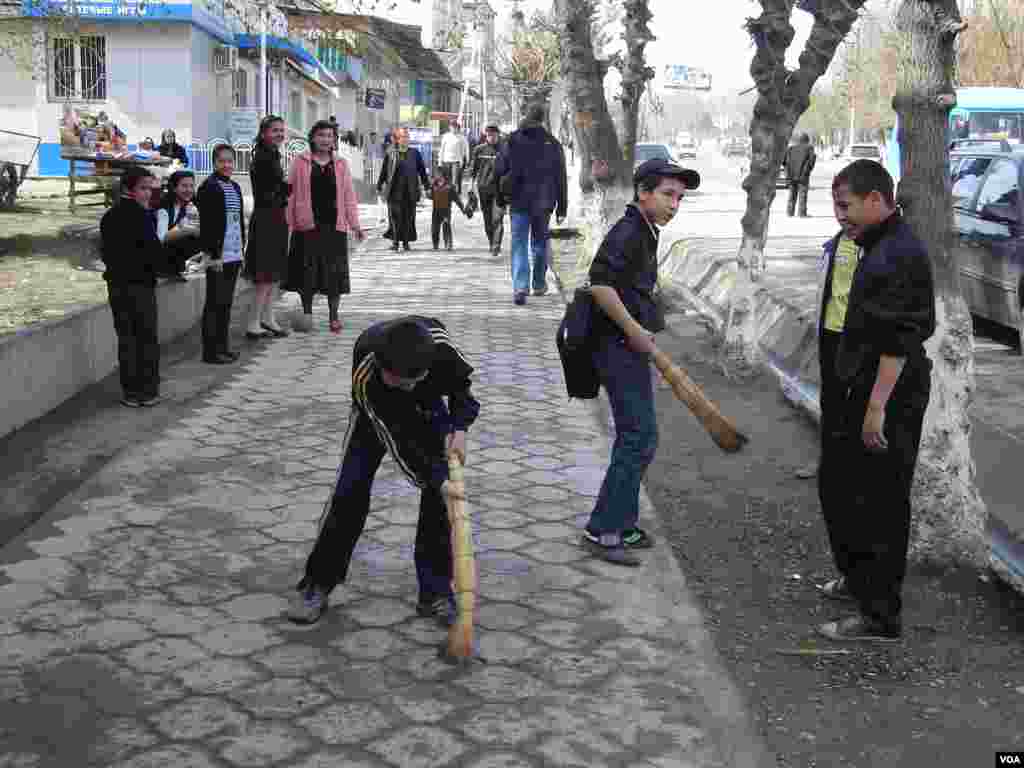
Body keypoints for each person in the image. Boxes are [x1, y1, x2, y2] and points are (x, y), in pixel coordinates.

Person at [287, 316, 480, 625]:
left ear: (426, 370)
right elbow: (400, 444)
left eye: (404, 381)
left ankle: (435, 592)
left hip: (429, 406)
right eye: (392, 377)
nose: (398, 384)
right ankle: (318, 583)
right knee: (349, 490)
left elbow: (462, 388)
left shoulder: (441, 350)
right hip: (374, 414)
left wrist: (460, 428)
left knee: (439, 498)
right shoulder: (369, 373)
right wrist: (435, 479)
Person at [815, 159, 935, 643]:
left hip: (889, 396)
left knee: (879, 503)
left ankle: (879, 616)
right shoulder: (873, 245)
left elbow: (898, 342)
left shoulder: (898, 254)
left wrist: (875, 407)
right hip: (857, 388)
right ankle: (857, 580)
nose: (840, 216)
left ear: (874, 199)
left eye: (846, 206)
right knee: (840, 487)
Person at [582, 158, 700, 566]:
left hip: (626, 344)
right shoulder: (630, 230)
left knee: (641, 436)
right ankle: (603, 530)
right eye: (668, 194)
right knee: (638, 437)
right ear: (643, 193)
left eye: (680, 197)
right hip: (615, 346)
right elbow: (599, 283)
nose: (675, 203)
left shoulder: (645, 229)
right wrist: (633, 329)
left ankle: (623, 523)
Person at [284, 120, 366, 334]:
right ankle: (307, 313)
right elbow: (289, 195)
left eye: (329, 136)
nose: (325, 140)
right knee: (306, 272)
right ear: (312, 138)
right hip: (307, 226)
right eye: (321, 135)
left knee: (334, 274)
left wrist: (355, 225)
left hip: (334, 226)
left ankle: (333, 317)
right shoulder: (300, 162)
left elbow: (349, 196)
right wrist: (289, 223)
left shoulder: (341, 164)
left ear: (334, 140)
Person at [100, 167, 165, 408]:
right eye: (143, 188)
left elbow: (105, 252)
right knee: (146, 338)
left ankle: (130, 392)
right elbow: (153, 253)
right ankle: (148, 391)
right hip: (140, 286)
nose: (148, 193)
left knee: (127, 339)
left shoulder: (109, 216)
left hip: (117, 286)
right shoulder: (141, 216)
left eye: (150, 188)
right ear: (129, 189)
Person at [494, 103, 568, 305]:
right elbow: (560, 177)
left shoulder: (512, 140)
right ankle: (538, 283)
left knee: (518, 243)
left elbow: (499, 170)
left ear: (527, 116)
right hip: (544, 203)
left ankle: (520, 286)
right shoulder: (552, 144)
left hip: (518, 201)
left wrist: (500, 199)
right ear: (543, 119)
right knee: (539, 242)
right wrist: (562, 206)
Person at [196, 144, 246, 365]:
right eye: (222, 161)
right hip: (218, 256)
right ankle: (211, 351)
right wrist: (213, 255)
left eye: (230, 161)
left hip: (234, 254)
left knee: (226, 303)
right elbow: (208, 225)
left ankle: (223, 347)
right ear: (214, 162)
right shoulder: (209, 187)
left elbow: (238, 222)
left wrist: (241, 251)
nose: (227, 165)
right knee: (214, 303)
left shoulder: (234, 186)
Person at [245, 115, 291, 340]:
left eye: (282, 130)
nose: (279, 134)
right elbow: (270, 192)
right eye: (275, 130)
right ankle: (254, 322)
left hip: (275, 216)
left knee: (273, 273)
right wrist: (288, 188)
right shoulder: (263, 157)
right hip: (266, 219)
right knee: (265, 273)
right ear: (264, 133)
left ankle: (268, 317)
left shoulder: (272, 155)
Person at [377, 127, 429, 252]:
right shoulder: (391, 153)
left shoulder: (415, 153)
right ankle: (395, 242)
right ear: (398, 139)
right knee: (395, 217)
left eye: (407, 137)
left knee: (408, 217)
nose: (406, 139)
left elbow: (422, 170)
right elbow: (384, 171)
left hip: (410, 191)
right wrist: (379, 185)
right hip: (394, 191)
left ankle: (406, 242)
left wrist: (427, 186)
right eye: (403, 137)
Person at [156, 170, 202, 282]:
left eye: (191, 186)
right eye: (184, 186)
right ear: (174, 188)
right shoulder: (164, 209)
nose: (189, 190)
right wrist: (186, 230)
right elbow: (161, 238)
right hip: (159, 254)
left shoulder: (190, 207)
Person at [469, 124, 504, 257]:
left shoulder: (504, 149)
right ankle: (491, 242)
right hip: (483, 188)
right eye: (489, 135)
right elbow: (473, 170)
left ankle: (496, 245)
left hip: (500, 190)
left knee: (497, 218)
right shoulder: (479, 150)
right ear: (486, 136)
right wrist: (470, 186)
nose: (492, 138)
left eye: (494, 135)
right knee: (488, 219)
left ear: (498, 135)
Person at [429, 167, 468, 251]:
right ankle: (435, 244)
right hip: (436, 210)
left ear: (442, 175)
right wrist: (428, 194)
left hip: (446, 211)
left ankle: (448, 244)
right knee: (435, 228)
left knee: (446, 226)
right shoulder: (433, 185)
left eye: (437, 174)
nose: (435, 175)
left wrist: (463, 209)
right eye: (435, 174)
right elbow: (431, 196)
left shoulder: (449, 187)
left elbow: (457, 199)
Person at [784, 132, 816, 218]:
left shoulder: (790, 149)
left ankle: (789, 212)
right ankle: (802, 213)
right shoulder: (809, 148)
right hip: (803, 175)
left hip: (791, 175)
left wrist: (788, 169)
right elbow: (812, 161)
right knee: (802, 194)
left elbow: (784, 161)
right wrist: (808, 170)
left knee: (792, 194)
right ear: (806, 139)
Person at [438, 120, 469, 197]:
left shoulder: (461, 137)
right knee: (447, 179)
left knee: (454, 180)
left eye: (455, 127)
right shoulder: (446, 136)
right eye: (452, 126)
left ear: (457, 128)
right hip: (446, 160)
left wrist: (466, 159)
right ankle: (447, 193)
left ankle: (453, 194)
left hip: (456, 161)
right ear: (450, 127)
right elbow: (442, 149)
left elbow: (465, 149)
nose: (453, 128)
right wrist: (440, 161)